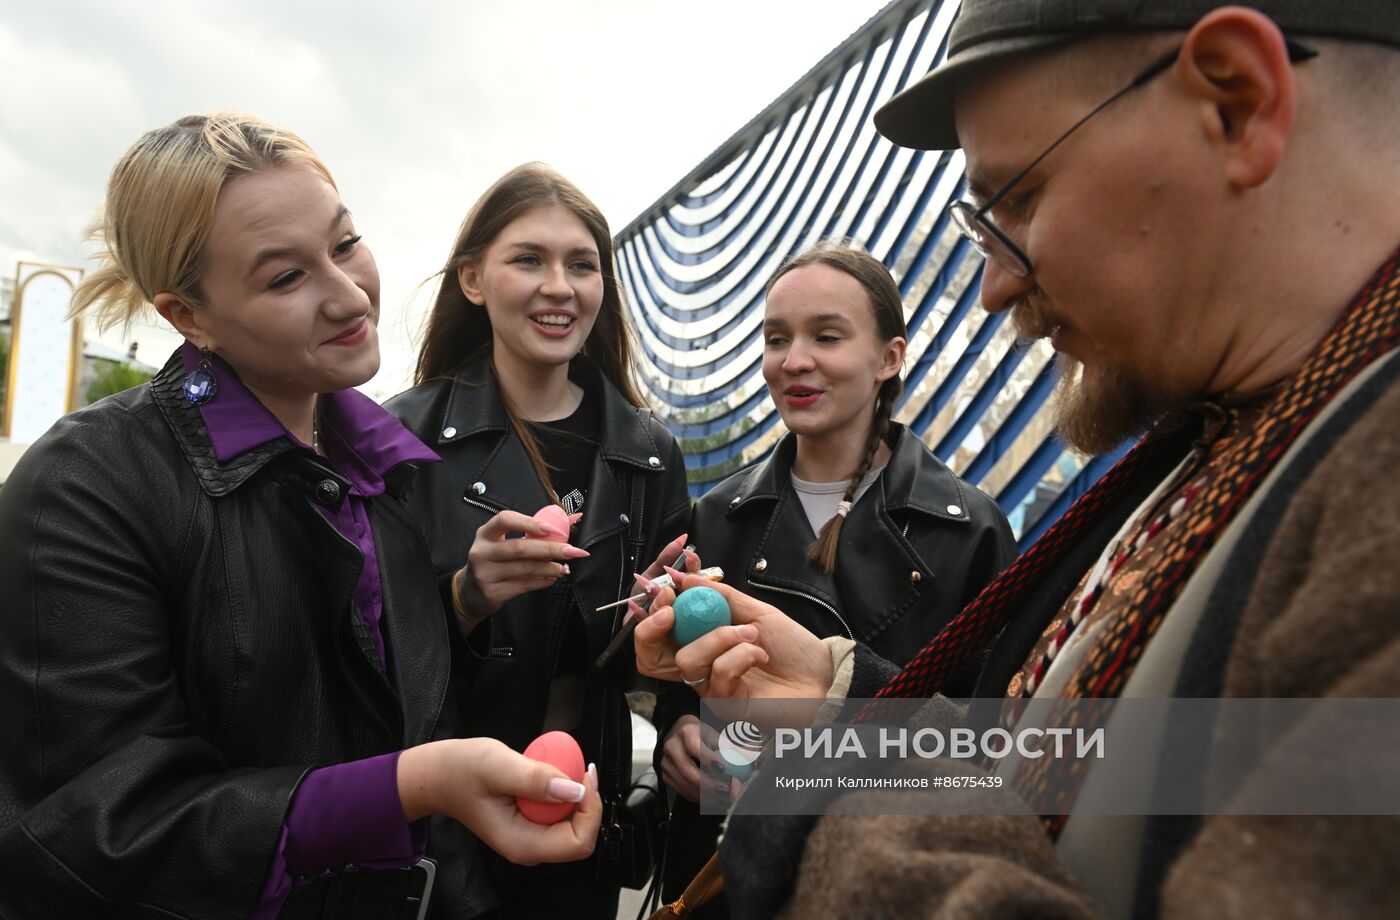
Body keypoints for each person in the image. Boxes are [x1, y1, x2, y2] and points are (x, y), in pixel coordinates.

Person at [634, 2, 1400, 917]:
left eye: (1021, 198)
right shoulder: (1215, 447)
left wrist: (836, 775)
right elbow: (1063, 770)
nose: (997, 286)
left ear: (1234, 102)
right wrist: (839, 701)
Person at [0, 114, 601, 920]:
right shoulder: (87, 486)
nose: (350, 294)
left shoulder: (376, 466)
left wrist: (460, 602)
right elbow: (96, 829)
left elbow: (367, 697)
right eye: (286, 278)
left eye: (346, 243)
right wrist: (414, 787)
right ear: (189, 316)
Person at [650, 242, 1015, 913]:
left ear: (890, 358)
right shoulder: (715, 516)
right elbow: (678, 674)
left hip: (882, 883)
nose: (794, 361)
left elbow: (999, 740)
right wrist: (676, 727)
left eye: (827, 336)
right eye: (775, 338)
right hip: (716, 880)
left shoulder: (972, 531)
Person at [386, 162, 692, 918]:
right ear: (473, 281)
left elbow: (662, 673)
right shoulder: (402, 439)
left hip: (580, 813)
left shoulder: (649, 453)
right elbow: (356, 653)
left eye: (582, 265)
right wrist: (466, 596)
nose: (560, 286)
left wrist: (659, 625)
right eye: (529, 259)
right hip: (436, 817)